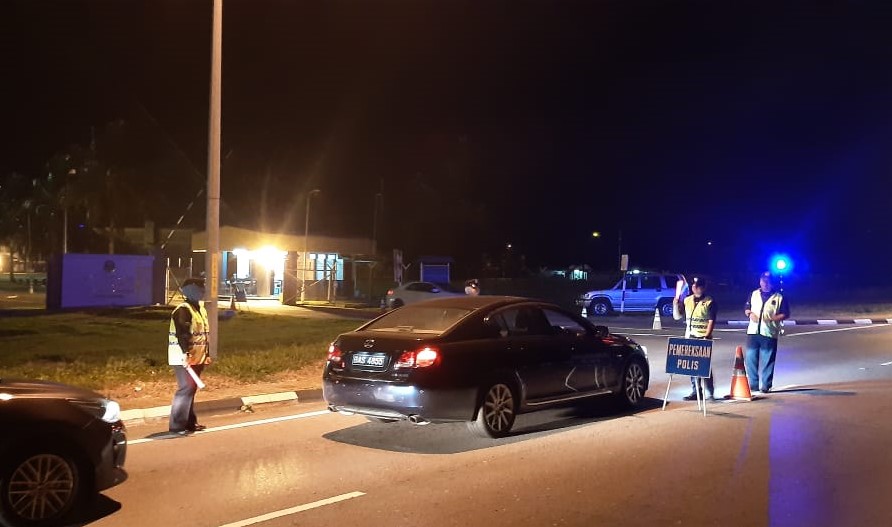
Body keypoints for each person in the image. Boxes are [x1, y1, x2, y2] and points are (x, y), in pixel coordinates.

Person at [167, 277, 212, 435]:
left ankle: (190, 423)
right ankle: (177, 425)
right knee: (186, 389)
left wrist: (206, 354)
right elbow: (182, 334)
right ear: (190, 290)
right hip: (183, 358)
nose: (203, 291)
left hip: (197, 358)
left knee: (190, 390)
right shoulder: (183, 310)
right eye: (200, 288)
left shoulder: (200, 309)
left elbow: (203, 334)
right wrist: (185, 353)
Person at [744, 271, 790, 394]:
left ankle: (766, 385)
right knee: (751, 359)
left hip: (769, 332)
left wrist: (774, 318)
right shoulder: (753, 294)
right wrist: (750, 314)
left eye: (768, 281)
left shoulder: (779, 297)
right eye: (763, 281)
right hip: (753, 332)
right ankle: (753, 385)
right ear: (760, 281)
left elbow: (785, 313)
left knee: (768, 360)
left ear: (772, 282)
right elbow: (747, 308)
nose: (765, 283)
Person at [673, 276, 717, 401]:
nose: (697, 288)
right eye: (695, 286)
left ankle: (710, 392)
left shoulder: (710, 301)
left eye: (699, 286)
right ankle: (696, 391)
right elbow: (677, 316)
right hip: (691, 336)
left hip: (703, 337)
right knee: (692, 366)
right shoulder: (687, 300)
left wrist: (707, 336)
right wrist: (675, 304)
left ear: (704, 287)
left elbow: (711, 321)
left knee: (705, 366)